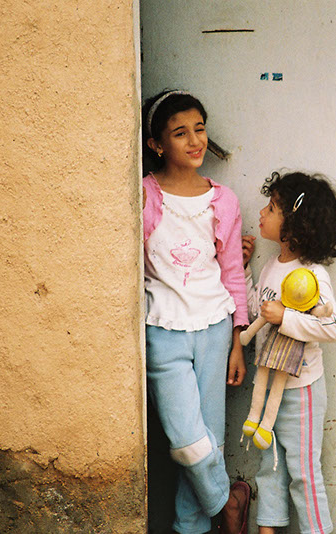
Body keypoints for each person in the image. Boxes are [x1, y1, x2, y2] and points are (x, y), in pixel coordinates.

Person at [142, 90, 250, 534]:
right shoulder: (144, 195)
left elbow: (232, 272)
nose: (194, 141)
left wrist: (238, 340)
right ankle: (229, 502)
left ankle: (192, 527)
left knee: (211, 438)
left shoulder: (223, 200)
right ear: (157, 144)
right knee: (188, 443)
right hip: (162, 330)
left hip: (215, 328)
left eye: (199, 129)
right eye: (180, 133)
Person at [242, 171, 336, 534]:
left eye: (271, 208)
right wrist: (243, 269)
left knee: (303, 473)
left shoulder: (312, 274)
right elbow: (257, 313)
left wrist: (286, 318)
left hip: (301, 392)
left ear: (295, 226)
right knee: (269, 468)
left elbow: (333, 327)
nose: (262, 213)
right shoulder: (272, 266)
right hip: (268, 388)